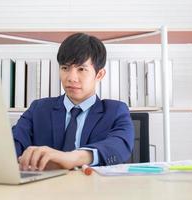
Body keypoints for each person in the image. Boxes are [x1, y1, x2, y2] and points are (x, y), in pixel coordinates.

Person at [12, 33, 134, 171]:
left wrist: (72, 158)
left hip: (94, 189)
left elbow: (120, 145)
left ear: (99, 74)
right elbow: (12, 143)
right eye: (65, 68)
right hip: (46, 188)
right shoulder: (39, 109)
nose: (71, 78)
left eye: (81, 69)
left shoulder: (115, 110)